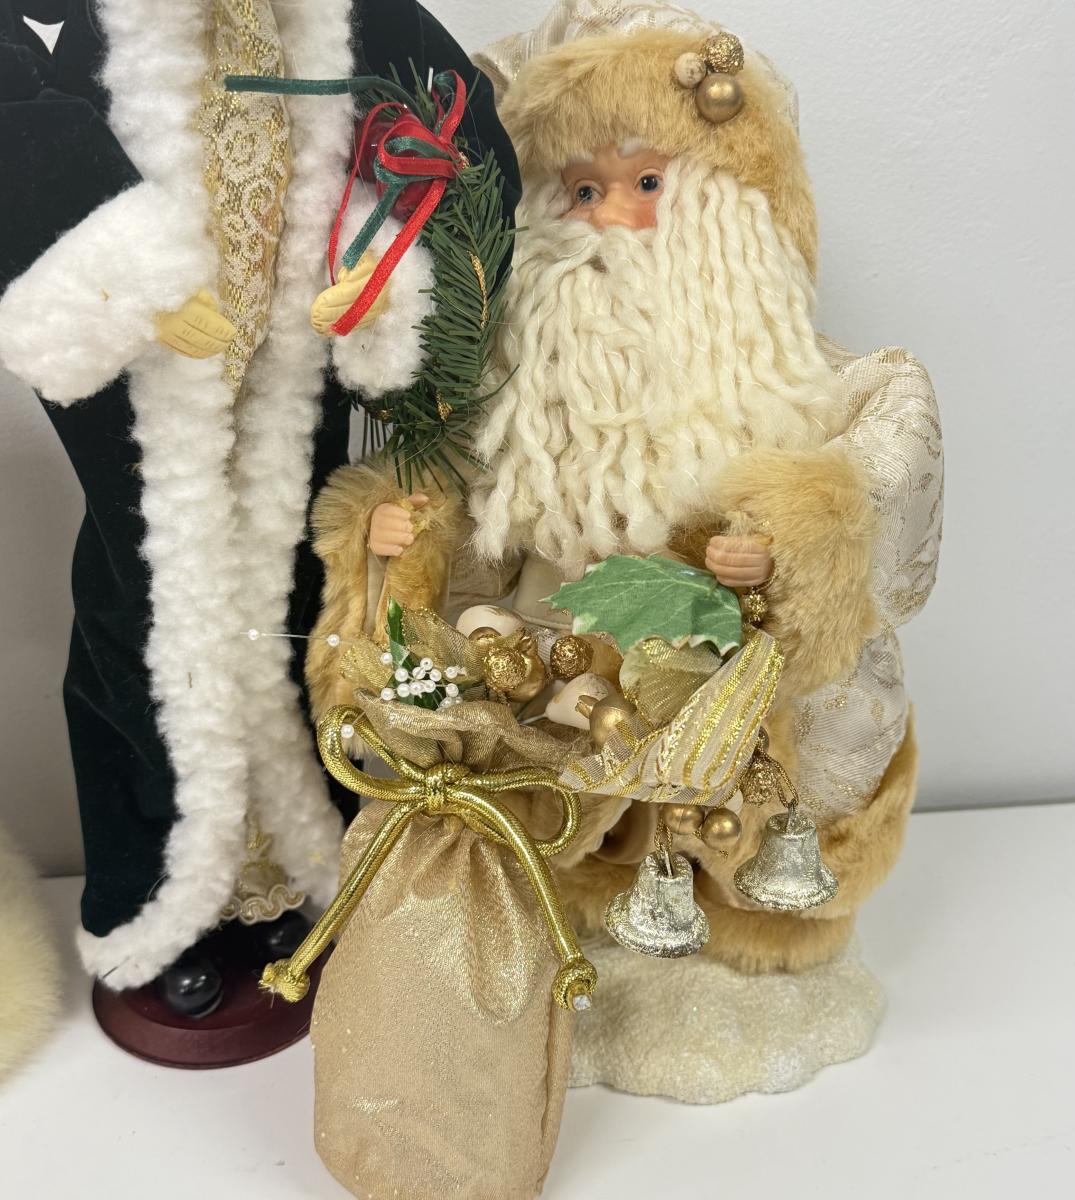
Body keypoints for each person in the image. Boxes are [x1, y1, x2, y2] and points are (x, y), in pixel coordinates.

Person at [306, 0, 942, 1094]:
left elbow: (889, 450)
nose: (612, 220)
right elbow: (466, 500)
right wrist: (406, 534)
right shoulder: (516, 386)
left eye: (646, 182)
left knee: (745, 771)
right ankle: (587, 907)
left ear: (726, 200)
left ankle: (745, 922)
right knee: (558, 754)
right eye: (581, 191)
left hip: (728, 662)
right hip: (564, 649)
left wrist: (790, 532)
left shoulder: (790, 373)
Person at [0, 0, 519, 1027]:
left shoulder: (338, 17)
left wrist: (373, 265)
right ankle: (169, 906)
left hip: (289, 354)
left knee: (293, 599)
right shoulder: (93, 21)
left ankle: (287, 876)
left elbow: (449, 134)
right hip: (148, 363)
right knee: (147, 606)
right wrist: (121, 270)